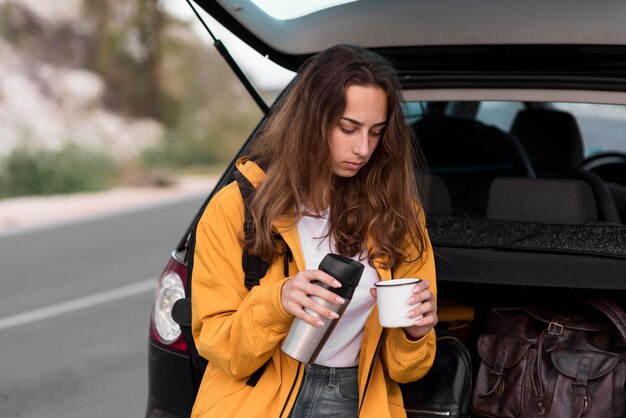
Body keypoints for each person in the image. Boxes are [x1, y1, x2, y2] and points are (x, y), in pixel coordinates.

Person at [191, 44, 438, 418]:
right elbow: (217, 346)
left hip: (354, 399)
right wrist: (278, 301)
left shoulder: (399, 216)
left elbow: (408, 370)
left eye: (376, 132)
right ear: (311, 122)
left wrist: (415, 334)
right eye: (348, 128)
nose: (363, 148)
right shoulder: (236, 207)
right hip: (252, 400)